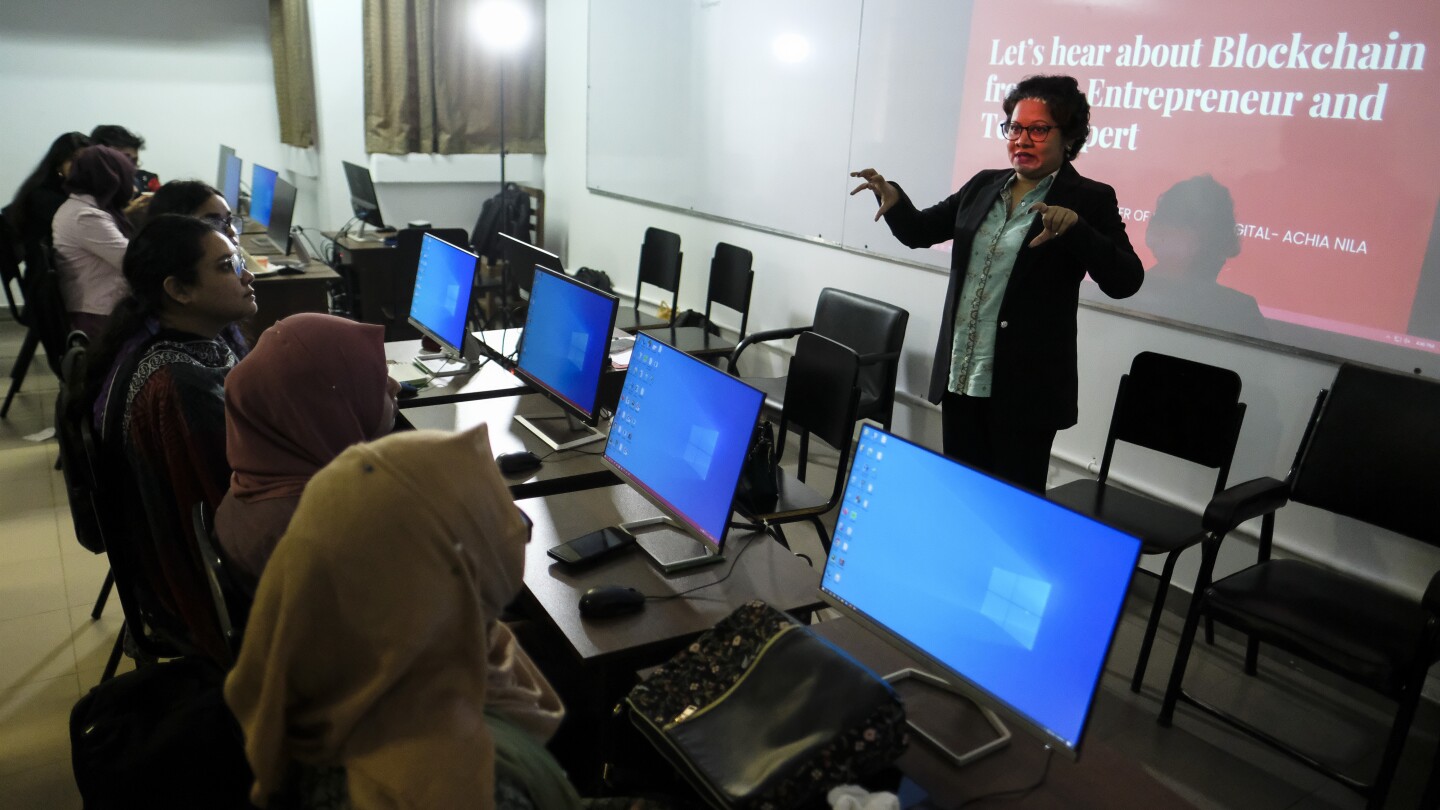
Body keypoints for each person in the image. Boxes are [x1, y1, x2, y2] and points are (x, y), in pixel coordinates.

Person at [225, 425, 576, 810]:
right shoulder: (458, 783)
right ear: (440, 578)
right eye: (507, 524)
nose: (515, 533)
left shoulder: (323, 677)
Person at [850, 74, 1143, 492]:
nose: (1022, 139)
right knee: (963, 499)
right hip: (963, 377)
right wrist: (893, 199)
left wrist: (1077, 230)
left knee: (1010, 512)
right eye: (1015, 128)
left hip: (1027, 391)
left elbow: (1125, 281)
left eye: (1038, 129)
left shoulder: (1089, 198)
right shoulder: (984, 185)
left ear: (1070, 136)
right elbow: (920, 231)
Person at [85, 213, 256, 663]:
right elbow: (238, 503)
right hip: (202, 591)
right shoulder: (182, 383)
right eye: (226, 267)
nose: (247, 276)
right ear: (178, 290)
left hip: (177, 567)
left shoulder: (177, 349)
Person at [217, 313, 401, 585]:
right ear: (327, 410)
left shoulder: (252, 485)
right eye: (377, 382)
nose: (395, 386)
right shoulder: (334, 532)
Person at [52, 144, 138, 337]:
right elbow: (133, 262)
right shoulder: (87, 216)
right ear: (112, 178)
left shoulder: (78, 207)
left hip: (96, 310)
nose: (132, 186)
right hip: (99, 317)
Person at [3, 131, 91, 254]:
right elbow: (86, 226)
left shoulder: (75, 191)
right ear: (58, 164)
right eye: (74, 160)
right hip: (54, 269)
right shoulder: (42, 196)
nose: (82, 167)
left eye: (88, 161)